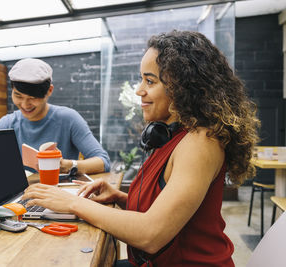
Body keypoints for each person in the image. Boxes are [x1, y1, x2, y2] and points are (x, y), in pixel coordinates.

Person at [23, 30, 260, 266]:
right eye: (141, 79)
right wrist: (120, 197)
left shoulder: (201, 142)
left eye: (150, 81)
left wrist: (73, 203)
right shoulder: (173, 134)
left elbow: (151, 235)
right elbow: (169, 209)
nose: (139, 90)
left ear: (183, 87)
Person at [0, 58, 110, 175]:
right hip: (20, 195)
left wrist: (68, 165)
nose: (25, 104)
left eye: (33, 97)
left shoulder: (68, 118)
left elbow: (103, 162)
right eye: (18, 95)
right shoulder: (7, 123)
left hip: (59, 194)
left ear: (49, 91)